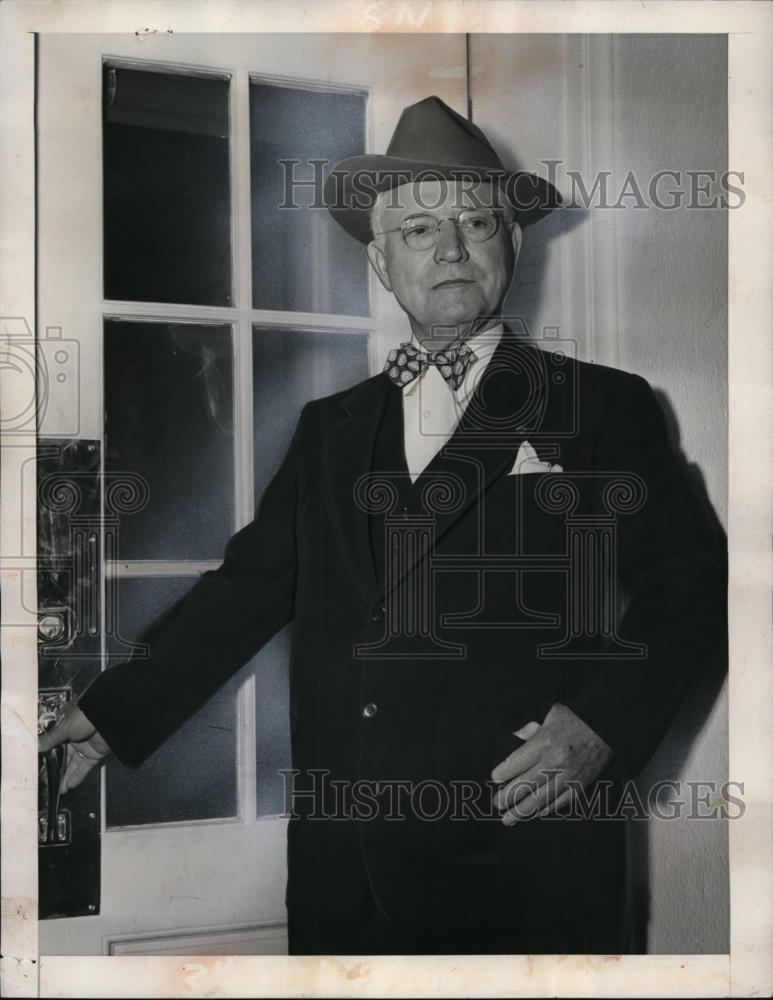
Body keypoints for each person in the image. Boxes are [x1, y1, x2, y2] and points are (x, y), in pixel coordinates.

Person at [39, 96, 725, 955]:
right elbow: (247, 591)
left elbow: (691, 585)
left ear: (512, 242)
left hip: (524, 855)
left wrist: (603, 725)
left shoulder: (600, 406)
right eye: (417, 231)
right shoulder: (333, 429)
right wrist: (113, 715)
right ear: (379, 263)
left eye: (476, 222)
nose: (449, 249)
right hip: (346, 866)